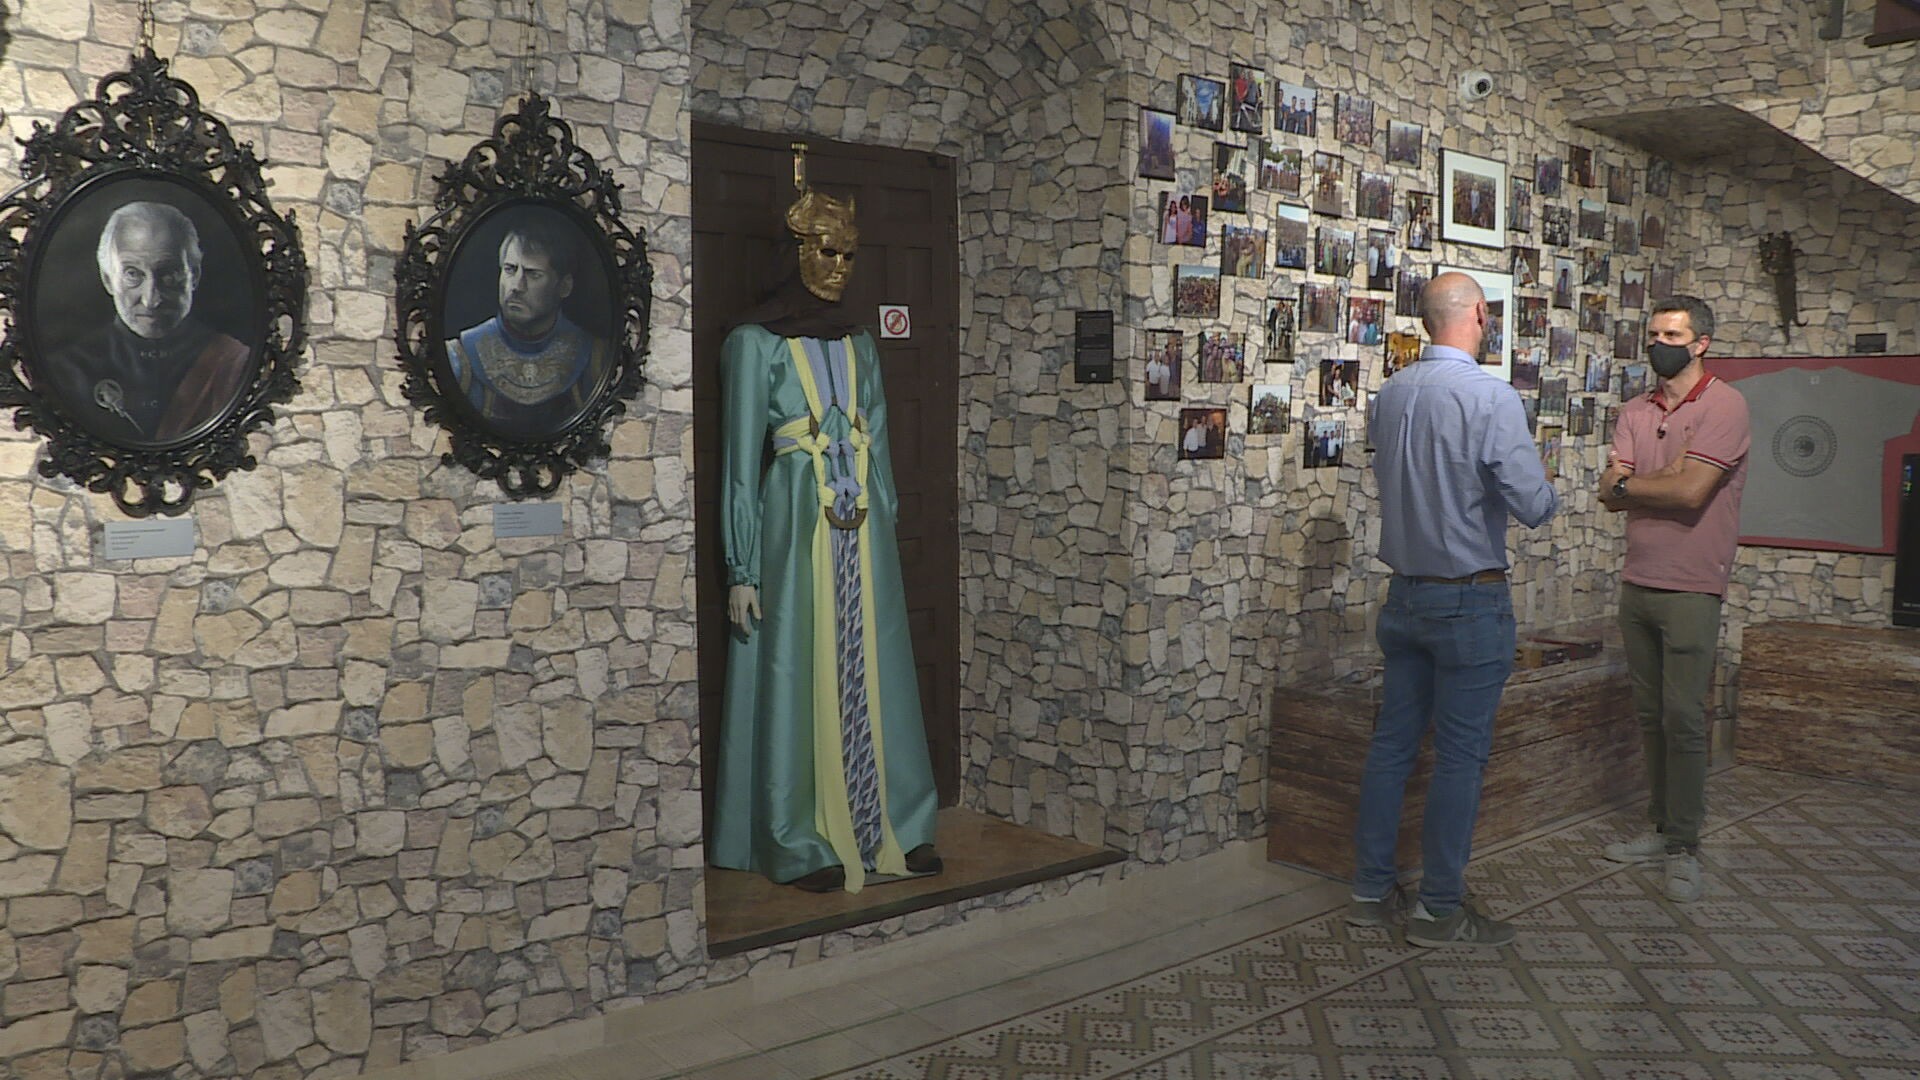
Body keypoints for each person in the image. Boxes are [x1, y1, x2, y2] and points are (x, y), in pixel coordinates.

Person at [712, 181, 941, 894]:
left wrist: (886, 525)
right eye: (825, 252)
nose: (840, 268)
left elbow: (882, 442)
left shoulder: (859, 343)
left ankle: (896, 821)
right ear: (793, 253)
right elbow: (739, 464)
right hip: (792, 533)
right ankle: (797, 833)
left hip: (861, 535)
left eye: (849, 256)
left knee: (876, 666)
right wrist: (742, 566)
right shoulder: (753, 345)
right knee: (795, 667)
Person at [1349, 271, 1557, 947]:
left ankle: (1369, 890)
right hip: (1469, 598)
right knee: (1461, 756)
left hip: (1404, 595)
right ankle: (1439, 909)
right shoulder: (1489, 397)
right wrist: (1549, 487)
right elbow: (1533, 505)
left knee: (1392, 746)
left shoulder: (1392, 392)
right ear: (1479, 316)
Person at [1596, 296, 1750, 903]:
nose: (1659, 344)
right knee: (1649, 714)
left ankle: (1684, 843)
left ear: (1701, 343)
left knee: (1684, 718)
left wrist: (1635, 484)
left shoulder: (1725, 405)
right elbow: (1608, 492)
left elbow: (1691, 493)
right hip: (1638, 580)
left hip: (1692, 583)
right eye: (1654, 333)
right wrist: (1655, 478)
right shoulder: (1637, 409)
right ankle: (1660, 827)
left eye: (1672, 335)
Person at [44, 201, 251, 444]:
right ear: (108, 279)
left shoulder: (234, 364)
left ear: (194, 276)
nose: (151, 300)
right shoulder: (69, 371)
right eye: (132, 274)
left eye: (169, 275)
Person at [444, 217, 610, 433]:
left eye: (533, 274)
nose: (516, 286)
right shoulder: (460, 357)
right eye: (510, 269)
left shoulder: (596, 359)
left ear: (564, 286)